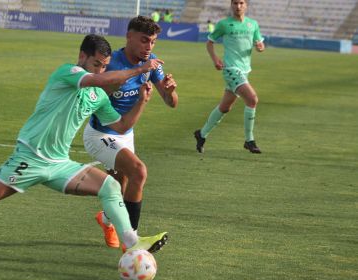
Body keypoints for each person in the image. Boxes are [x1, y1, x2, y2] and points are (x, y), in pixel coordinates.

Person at [0, 34, 169, 262]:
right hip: (29, 157)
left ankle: (131, 242)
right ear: (82, 57)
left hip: (59, 165)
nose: (100, 71)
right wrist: (140, 69)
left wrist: (143, 101)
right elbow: (98, 80)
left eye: (104, 66)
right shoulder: (68, 73)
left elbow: (121, 126)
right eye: (96, 64)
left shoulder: (98, 95)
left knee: (110, 186)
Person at [83, 16, 178, 249]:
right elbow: (101, 88)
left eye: (153, 42)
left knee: (119, 186)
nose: (149, 47)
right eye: (144, 41)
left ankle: (106, 220)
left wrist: (169, 91)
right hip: (100, 134)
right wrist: (139, 71)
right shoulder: (112, 62)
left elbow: (171, 103)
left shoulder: (152, 62)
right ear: (129, 37)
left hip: (126, 133)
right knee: (139, 171)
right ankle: (133, 241)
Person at [194, 0, 265, 154]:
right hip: (231, 69)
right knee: (252, 99)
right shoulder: (224, 24)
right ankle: (249, 140)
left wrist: (260, 47)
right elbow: (210, 42)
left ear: (246, 5)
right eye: (235, 3)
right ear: (231, 5)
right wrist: (215, 60)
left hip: (245, 71)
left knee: (225, 107)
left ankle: (202, 134)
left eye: (241, 3)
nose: (238, 6)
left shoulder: (253, 24)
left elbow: (259, 43)